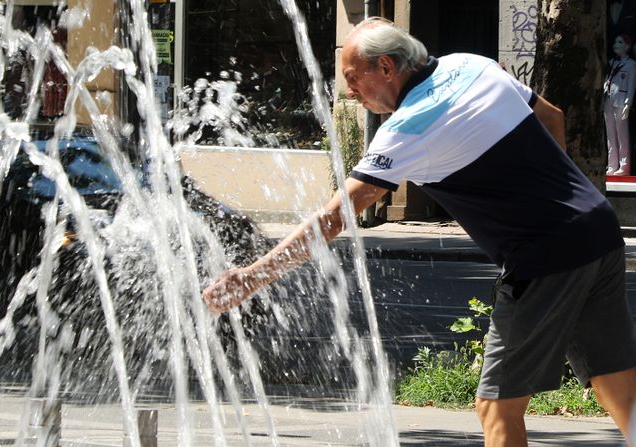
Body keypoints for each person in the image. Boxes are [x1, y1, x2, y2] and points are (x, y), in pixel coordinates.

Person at [202, 17, 636, 446]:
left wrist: (251, 278)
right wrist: (547, 193)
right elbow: (552, 117)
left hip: (543, 257)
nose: (350, 91)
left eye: (354, 78)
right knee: (618, 387)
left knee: (497, 407)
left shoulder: (405, 129)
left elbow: (335, 219)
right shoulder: (474, 65)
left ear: (387, 68)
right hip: (597, 228)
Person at [604, 34, 636, 175]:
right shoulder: (612, 63)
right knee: (610, 135)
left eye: (620, 42)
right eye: (615, 42)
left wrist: (628, 105)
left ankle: (624, 165)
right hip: (608, 101)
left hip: (621, 101)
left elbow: (631, 87)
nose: (615, 45)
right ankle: (612, 164)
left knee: (622, 135)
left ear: (627, 46)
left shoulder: (631, 65)